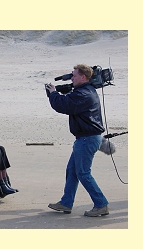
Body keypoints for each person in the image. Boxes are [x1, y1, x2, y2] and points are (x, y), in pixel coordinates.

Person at [45, 64, 109, 217]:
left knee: (83, 173)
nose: (72, 77)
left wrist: (53, 93)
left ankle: (101, 204)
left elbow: (64, 105)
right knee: (72, 171)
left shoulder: (84, 94)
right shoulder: (84, 91)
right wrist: (58, 92)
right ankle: (66, 203)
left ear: (83, 77)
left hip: (87, 139)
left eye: (74, 75)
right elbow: (69, 100)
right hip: (85, 138)